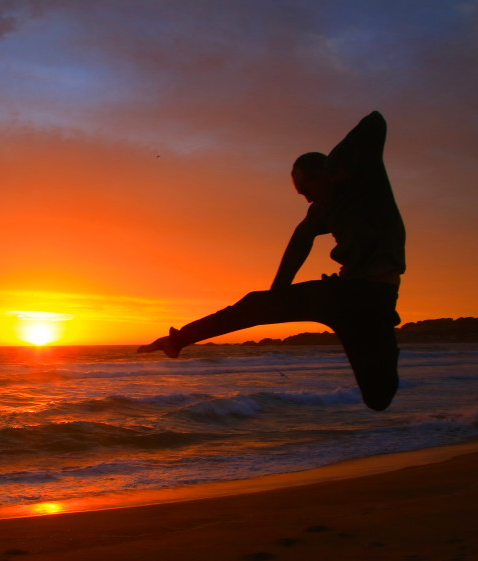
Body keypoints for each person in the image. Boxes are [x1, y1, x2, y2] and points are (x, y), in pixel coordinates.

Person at [138, 111, 405, 411]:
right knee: (255, 304)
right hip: (341, 294)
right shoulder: (320, 209)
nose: (306, 200)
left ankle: (385, 347)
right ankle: (176, 341)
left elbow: (375, 121)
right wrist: (277, 293)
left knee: (379, 398)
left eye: (307, 190)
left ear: (325, 174)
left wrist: (337, 166)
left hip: (376, 296)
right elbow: (299, 241)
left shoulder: (365, 182)